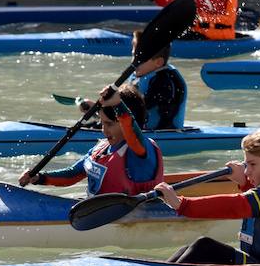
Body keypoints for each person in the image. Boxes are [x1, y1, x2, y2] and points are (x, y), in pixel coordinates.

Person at [155, 127, 260, 265]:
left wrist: (181, 204)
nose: (247, 171)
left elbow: (234, 206)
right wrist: (244, 183)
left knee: (203, 247)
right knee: (188, 249)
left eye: (253, 164)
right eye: (246, 165)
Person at [19, 84, 163, 196]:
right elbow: (72, 174)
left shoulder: (140, 149)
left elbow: (130, 127)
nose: (104, 130)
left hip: (133, 220)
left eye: (109, 124)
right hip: (97, 213)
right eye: (102, 122)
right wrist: (39, 178)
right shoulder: (101, 149)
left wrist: (118, 104)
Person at [128, 30, 187, 130]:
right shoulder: (139, 75)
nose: (133, 62)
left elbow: (141, 107)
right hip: (142, 130)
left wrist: (113, 105)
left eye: (140, 58)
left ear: (158, 62)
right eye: (134, 55)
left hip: (164, 134)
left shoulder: (164, 82)